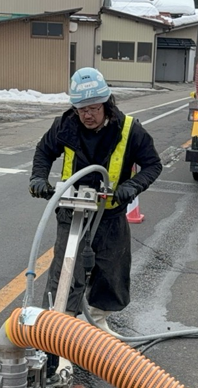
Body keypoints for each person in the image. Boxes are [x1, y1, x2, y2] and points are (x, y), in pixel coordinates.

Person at [29, 67, 162, 336]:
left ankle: (98, 320)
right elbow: (44, 151)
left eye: (93, 108)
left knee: (112, 270)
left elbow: (152, 165)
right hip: (72, 211)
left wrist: (132, 186)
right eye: (81, 109)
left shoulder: (129, 130)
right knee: (66, 271)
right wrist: (38, 178)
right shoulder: (65, 126)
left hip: (109, 215)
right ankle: (60, 325)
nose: (87, 115)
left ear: (106, 104)